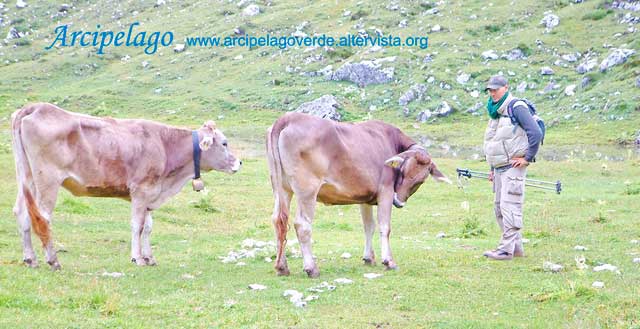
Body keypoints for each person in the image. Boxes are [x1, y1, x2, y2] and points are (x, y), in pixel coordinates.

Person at [482, 75, 542, 260]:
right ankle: (516, 249)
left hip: (512, 166)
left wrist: (528, 158)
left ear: (506, 87)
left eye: (496, 89)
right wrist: (492, 168)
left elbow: (535, 132)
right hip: (499, 167)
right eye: (490, 90)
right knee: (499, 208)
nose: (492, 93)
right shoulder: (496, 112)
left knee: (510, 207)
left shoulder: (517, 107)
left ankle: (505, 250)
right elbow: (496, 141)